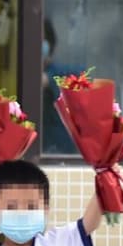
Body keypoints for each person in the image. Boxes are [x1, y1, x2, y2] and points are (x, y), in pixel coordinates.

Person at [42, 19, 79, 154]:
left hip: (61, 151)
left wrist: (50, 81)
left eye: (43, 39)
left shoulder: (61, 72)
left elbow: (82, 78)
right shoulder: (25, 76)